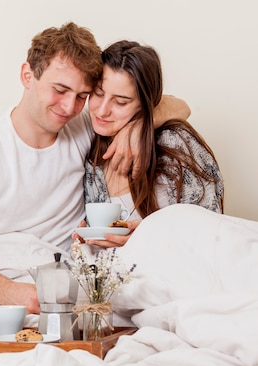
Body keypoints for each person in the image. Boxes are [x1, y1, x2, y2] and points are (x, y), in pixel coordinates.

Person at [0, 23, 188, 314]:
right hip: (2, 271)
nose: (70, 107)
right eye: (60, 90)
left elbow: (179, 105)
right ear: (27, 75)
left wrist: (139, 126)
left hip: (62, 271)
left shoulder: (81, 127)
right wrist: (8, 291)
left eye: (82, 95)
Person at [79, 40, 224, 248]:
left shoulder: (175, 143)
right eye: (98, 93)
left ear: (146, 102)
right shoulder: (90, 148)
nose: (102, 111)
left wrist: (144, 241)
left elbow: (212, 236)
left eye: (120, 102)